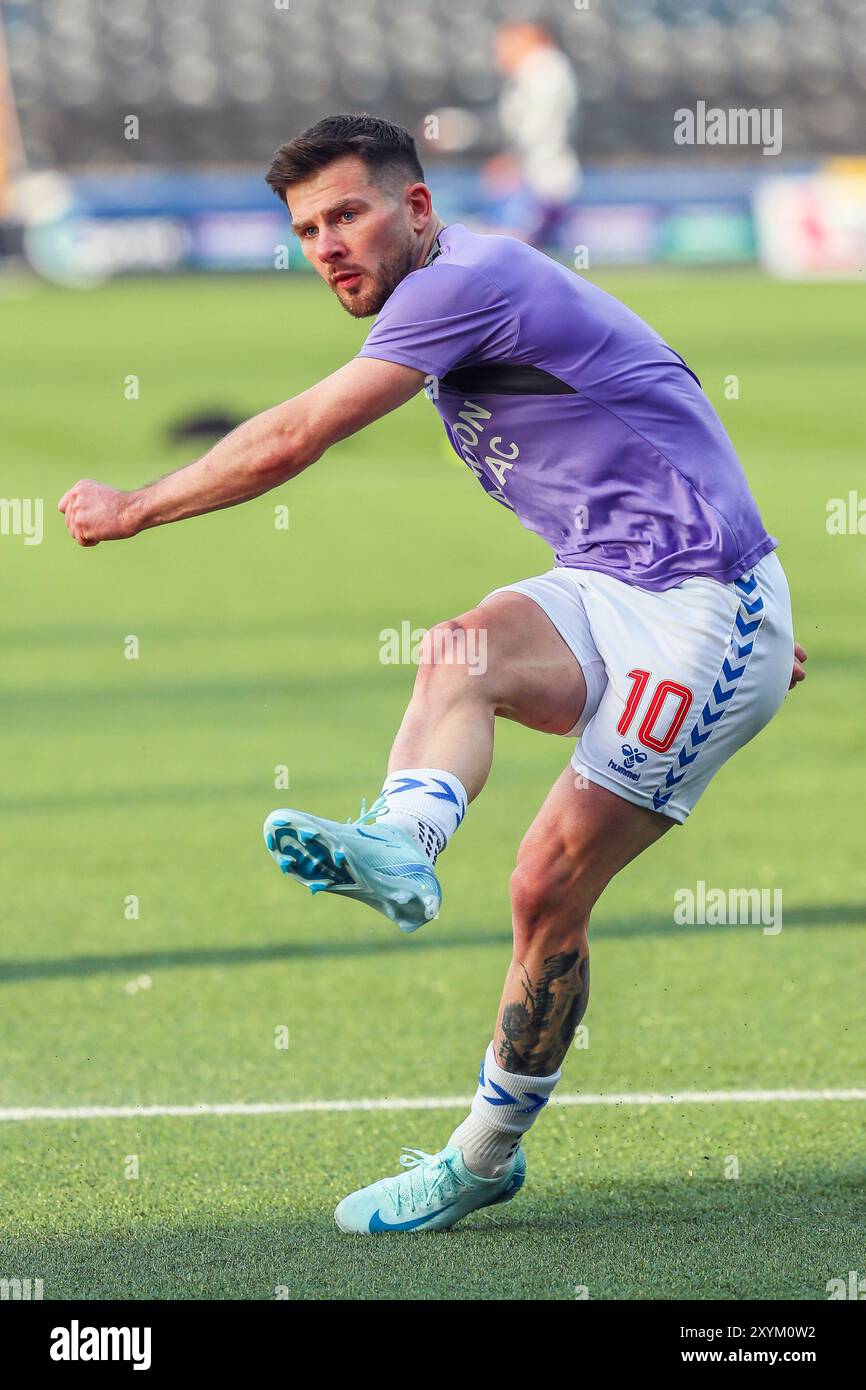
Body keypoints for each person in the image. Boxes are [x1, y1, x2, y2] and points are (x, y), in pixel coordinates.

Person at [59, 114, 806, 1235]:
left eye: (348, 213)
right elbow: (662, 393)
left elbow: (297, 434)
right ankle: (401, 849)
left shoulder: (469, 280)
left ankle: (479, 1154)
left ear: (415, 208)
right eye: (307, 227)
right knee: (458, 646)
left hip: (696, 612)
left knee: (544, 890)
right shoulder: (463, 289)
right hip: (618, 584)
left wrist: (137, 508)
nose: (326, 244)